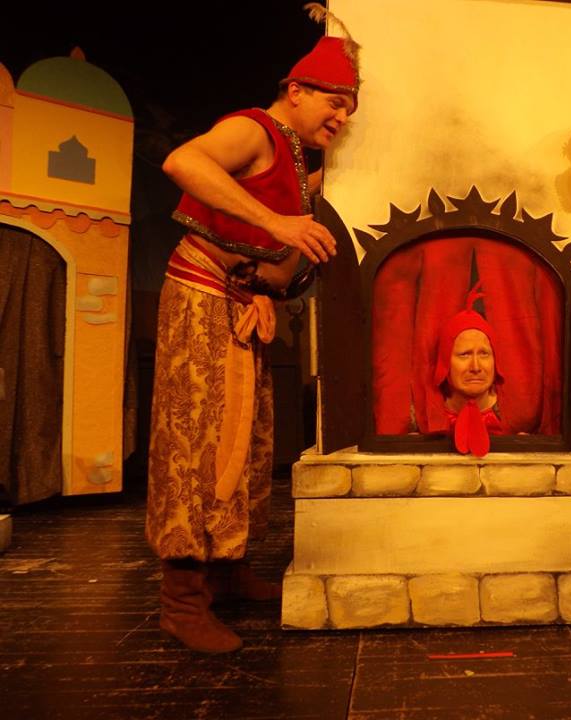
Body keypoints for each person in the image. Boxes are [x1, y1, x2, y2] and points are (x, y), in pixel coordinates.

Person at [145, 4, 360, 653]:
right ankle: (182, 601)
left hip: (240, 303)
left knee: (245, 440)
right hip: (200, 293)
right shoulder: (255, 128)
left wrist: (276, 276)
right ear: (296, 90)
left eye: (350, 108)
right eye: (335, 102)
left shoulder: (296, 160)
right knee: (196, 442)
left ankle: (227, 570)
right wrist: (277, 224)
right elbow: (183, 163)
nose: (342, 117)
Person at [432, 283, 507, 456]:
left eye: (484, 354)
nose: (475, 367)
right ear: (445, 362)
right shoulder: (426, 416)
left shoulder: (513, 414)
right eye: (464, 355)